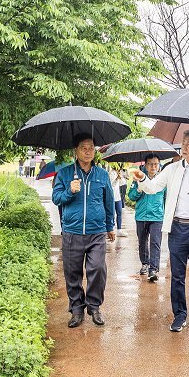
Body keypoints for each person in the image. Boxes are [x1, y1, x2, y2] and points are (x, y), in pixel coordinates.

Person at [131, 130, 189, 338]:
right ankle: (179, 315)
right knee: (178, 276)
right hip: (178, 228)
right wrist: (142, 179)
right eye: (183, 143)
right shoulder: (172, 169)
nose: (184, 147)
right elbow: (153, 188)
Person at [52, 134, 117, 328]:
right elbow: (56, 199)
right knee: (72, 273)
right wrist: (69, 191)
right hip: (72, 230)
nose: (88, 151)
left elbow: (108, 202)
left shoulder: (102, 175)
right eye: (84, 148)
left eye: (91, 148)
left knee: (97, 268)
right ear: (76, 151)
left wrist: (110, 225)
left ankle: (94, 306)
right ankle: (77, 309)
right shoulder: (64, 174)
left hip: (96, 231)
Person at [127, 153, 165, 282]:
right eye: (150, 164)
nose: (153, 166)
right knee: (142, 242)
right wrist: (138, 189)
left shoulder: (162, 180)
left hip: (157, 217)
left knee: (155, 242)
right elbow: (131, 197)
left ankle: (153, 269)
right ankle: (145, 263)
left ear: (159, 165)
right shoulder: (137, 178)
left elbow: (167, 198)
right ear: (146, 165)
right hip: (141, 216)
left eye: (156, 164)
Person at [109, 166, 128, 237]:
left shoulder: (119, 173)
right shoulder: (111, 173)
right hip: (111, 197)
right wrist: (117, 178)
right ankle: (111, 230)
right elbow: (111, 185)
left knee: (119, 213)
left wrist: (121, 177)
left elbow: (122, 183)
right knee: (112, 214)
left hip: (118, 197)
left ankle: (119, 230)